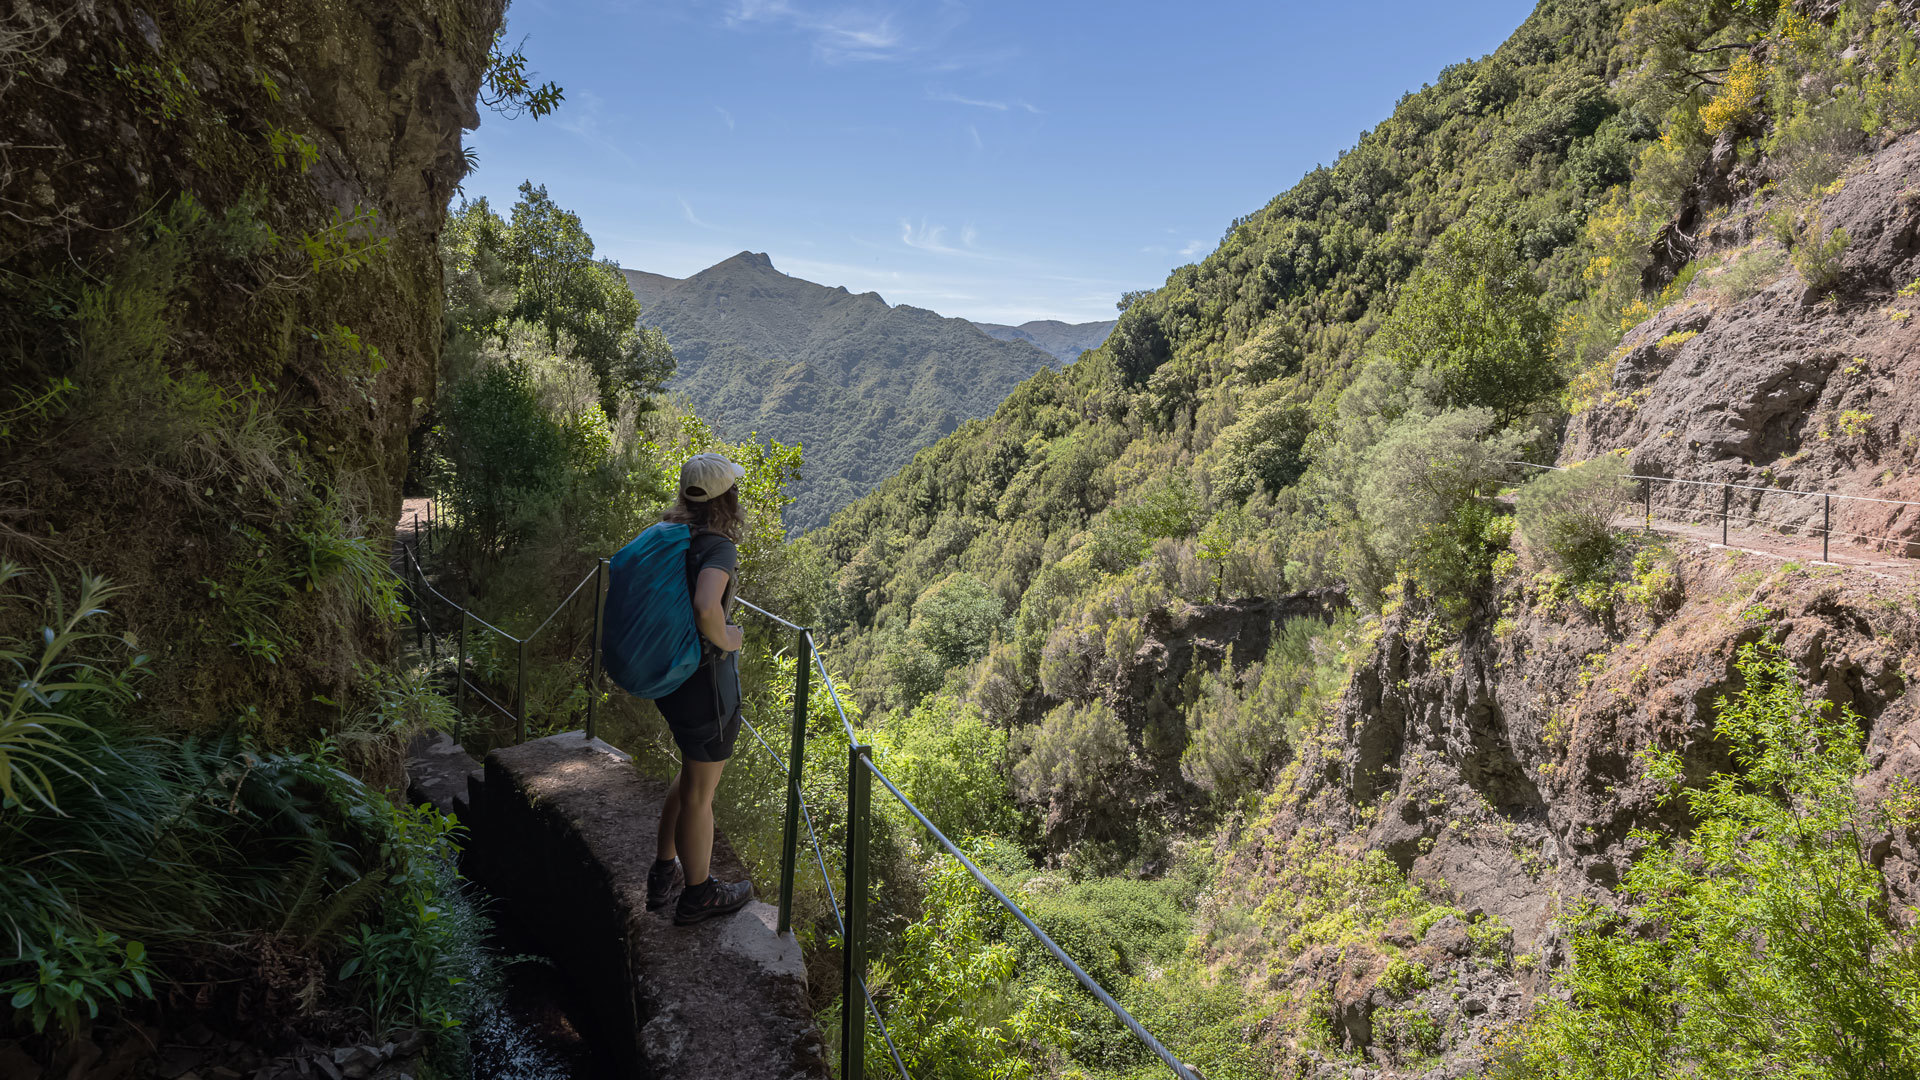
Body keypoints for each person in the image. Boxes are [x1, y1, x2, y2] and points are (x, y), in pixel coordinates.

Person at [647, 452, 757, 924]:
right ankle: (698, 894)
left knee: (690, 773)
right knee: (700, 794)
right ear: (725, 498)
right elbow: (706, 607)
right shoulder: (717, 547)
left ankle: (663, 868)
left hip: (669, 679)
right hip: (703, 685)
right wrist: (729, 636)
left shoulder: (668, 535)